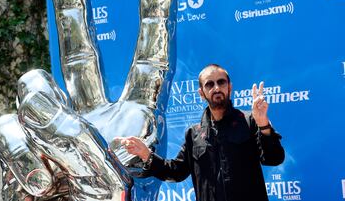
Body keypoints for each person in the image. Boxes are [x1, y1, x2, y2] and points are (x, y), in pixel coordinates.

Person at [120, 64, 285, 201]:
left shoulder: (251, 121)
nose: (216, 88)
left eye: (221, 82)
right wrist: (147, 155)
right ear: (201, 93)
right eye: (209, 84)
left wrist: (263, 123)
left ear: (230, 87)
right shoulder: (193, 134)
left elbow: (274, 158)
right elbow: (176, 172)